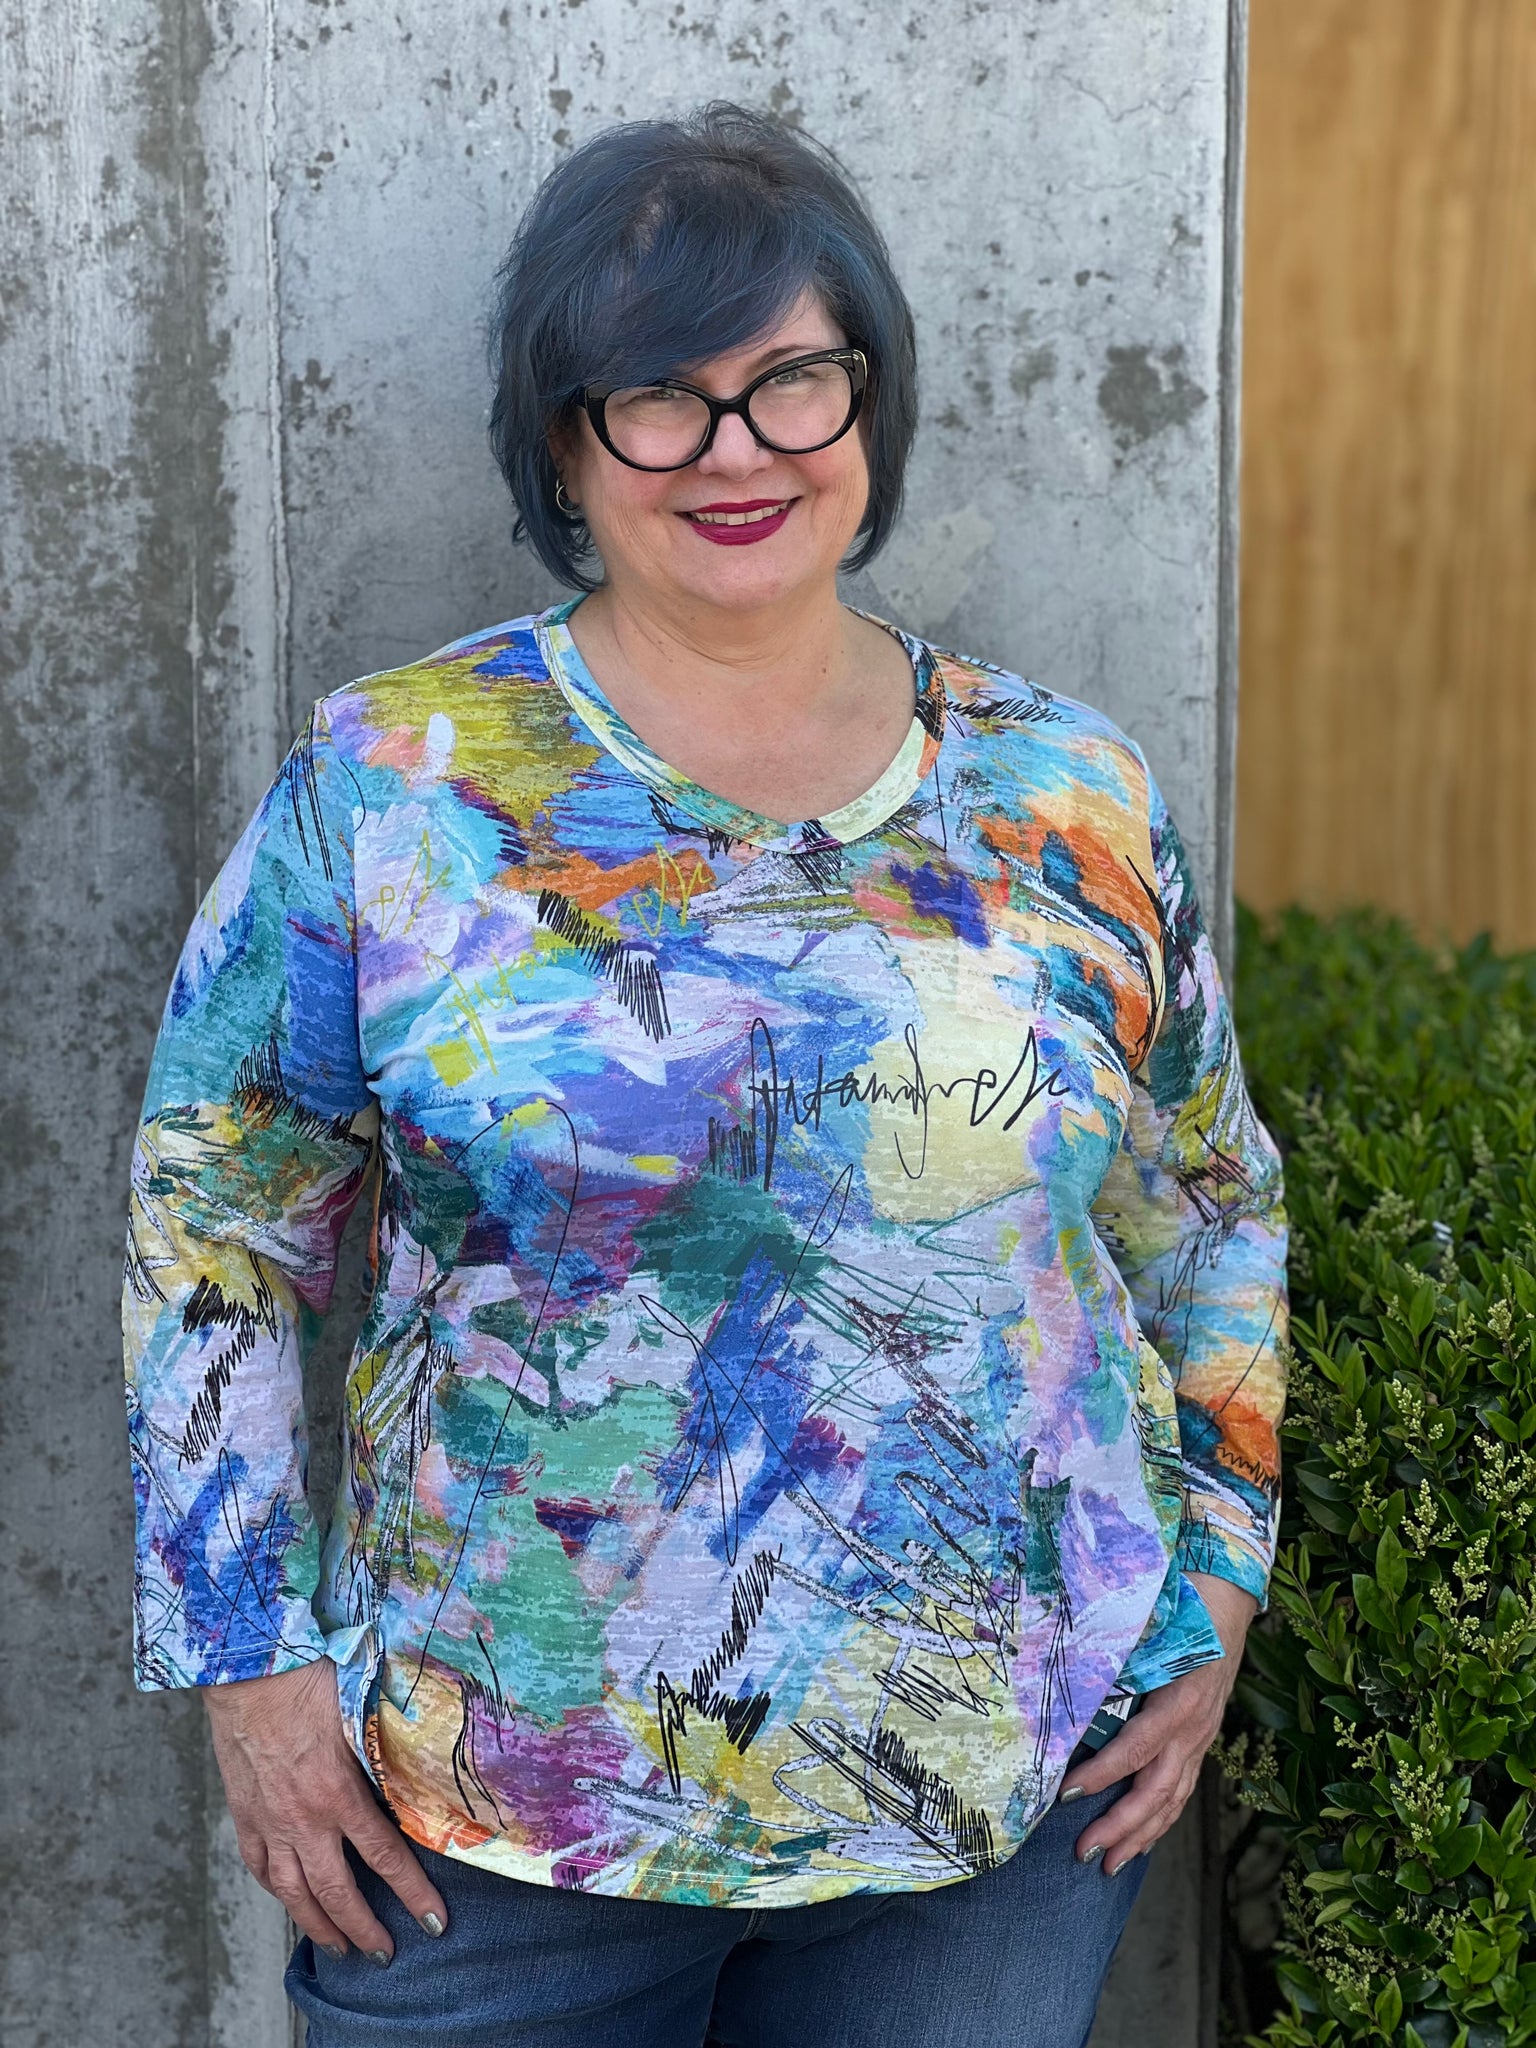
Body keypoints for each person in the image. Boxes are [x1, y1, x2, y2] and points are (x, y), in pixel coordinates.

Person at [123, 103, 1287, 2048]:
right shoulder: (394, 788)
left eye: (794, 381)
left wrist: (1220, 1578)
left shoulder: (1069, 796)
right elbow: (215, 1219)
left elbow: (1211, 1205)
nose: (739, 449)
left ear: (870, 401)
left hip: (989, 1818)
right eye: (662, 397)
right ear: (565, 442)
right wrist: (248, 1666)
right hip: (493, 1843)